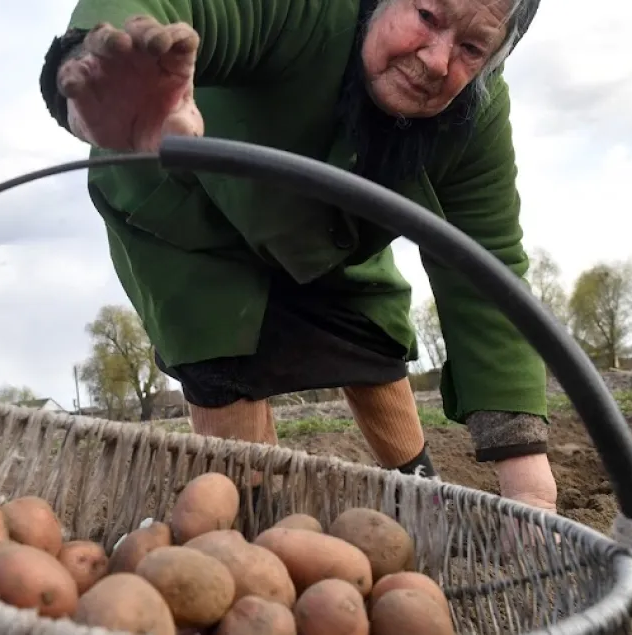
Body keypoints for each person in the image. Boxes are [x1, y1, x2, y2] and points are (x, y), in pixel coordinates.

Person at [37, 0, 558, 513]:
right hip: (186, 201)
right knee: (223, 352)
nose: (436, 61)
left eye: (472, 48)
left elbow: (486, 268)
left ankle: (423, 495)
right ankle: (254, 515)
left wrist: (527, 471)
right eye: (426, 16)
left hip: (323, 219)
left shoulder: (475, 112)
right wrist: (111, 68)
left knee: (370, 334)